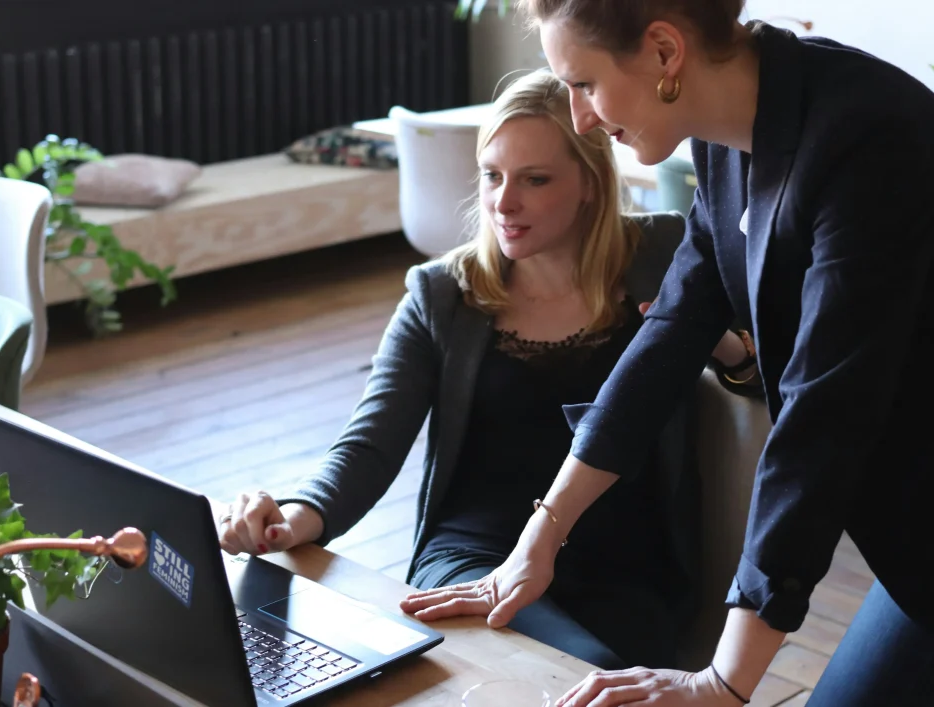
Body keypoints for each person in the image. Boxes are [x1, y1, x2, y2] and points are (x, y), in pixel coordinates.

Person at [403, 2, 934, 706]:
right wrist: (542, 534)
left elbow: (821, 419)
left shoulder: (867, 136)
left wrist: (724, 681)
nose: (580, 116)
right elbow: (671, 332)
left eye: (584, 83)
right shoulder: (727, 136)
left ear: (663, 51)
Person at [218, 69, 748, 671]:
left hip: (627, 567)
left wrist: (720, 344)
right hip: (475, 557)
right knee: (571, 670)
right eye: (492, 176)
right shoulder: (442, 294)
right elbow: (369, 444)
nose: (503, 202)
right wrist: (294, 517)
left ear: (590, 185)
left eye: (535, 179)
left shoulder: (665, 254)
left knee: (592, 672)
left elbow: (762, 381)